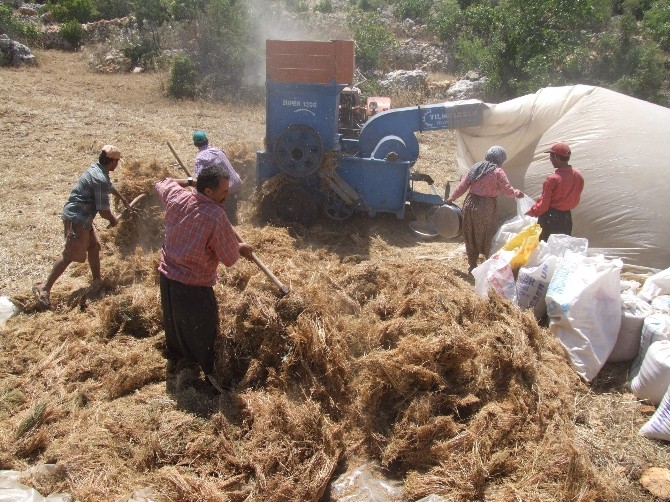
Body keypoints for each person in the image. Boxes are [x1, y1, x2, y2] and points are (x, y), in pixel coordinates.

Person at [155, 164, 253, 393]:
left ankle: (178, 360)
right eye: (224, 193)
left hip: (168, 277)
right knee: (204, 334)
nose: (227, 196)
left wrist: (190, 182)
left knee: (174, 325)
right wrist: (241, 247)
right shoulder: (215, 216)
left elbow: (162, 183)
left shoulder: (177, 197)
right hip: (194, 287)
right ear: (208, 192)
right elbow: (228, 258)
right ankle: (209, 378)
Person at [33, 145, 131, 308]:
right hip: (77, 220)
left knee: (94, 247)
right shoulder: (99, 178)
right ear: (112, 161)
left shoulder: (98, 170)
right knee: (70, 255)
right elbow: (104, 211)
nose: (117, 164)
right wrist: (113, 221)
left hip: (83, 219)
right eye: (117, 161)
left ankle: (97, 281)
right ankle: (44, 288)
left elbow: (109, 186)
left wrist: (122, 198)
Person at [447, 146, 524, 273]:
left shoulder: (476, 168)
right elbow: (507, 191)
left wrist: (451, 198)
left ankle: (472, 264)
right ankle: (487, 263)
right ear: (500, 159)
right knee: (487, 234)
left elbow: (462, 186)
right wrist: (517, 193)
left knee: (470, 233)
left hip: (470, 204)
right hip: (486, 207)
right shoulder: (498, 172)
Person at [526, 141, 584, 242]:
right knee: (561, 248)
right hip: (566, 218)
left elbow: (544, 206)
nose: (550, 160)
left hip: (550, 219)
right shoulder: (578, 175)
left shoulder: (553, 179)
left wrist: (531, 212)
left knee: (545, 249)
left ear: (556, 157)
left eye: (551, 156)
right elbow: (577, 197)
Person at [193, 130, 242, 224]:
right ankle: (233, 221)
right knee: (231, 215)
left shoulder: (200, 158)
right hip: (236, 183)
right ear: (207, 140)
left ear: (195, 144)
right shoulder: (218, 151)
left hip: (224, 188)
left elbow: (199, 179)